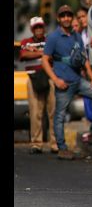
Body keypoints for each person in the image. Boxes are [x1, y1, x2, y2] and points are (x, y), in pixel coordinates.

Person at [41, 5, 92, 160]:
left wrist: (91, 78)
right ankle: (62, 148)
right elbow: (45, 60)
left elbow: (84, 57)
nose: (66, 18)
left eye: (68, 15)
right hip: (63, 83)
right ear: (59, 19)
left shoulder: (76, 35)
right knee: (59, 116)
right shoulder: (53, 37)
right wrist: (55, 80)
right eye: (63, 16)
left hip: (78, 81)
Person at [21, 17, 56, 153]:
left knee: (53, 111)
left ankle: (55, 143)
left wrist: (36, 52)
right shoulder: (26, 42)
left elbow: (54, 56)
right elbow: (24, 54)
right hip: (33, 78)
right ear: (32, 29)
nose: (39, 30)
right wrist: (43, 53)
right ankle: (36, 143)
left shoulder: (50, 41)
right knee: (35, 112)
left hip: (49, 77)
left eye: (41, 27)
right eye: (36, 28)